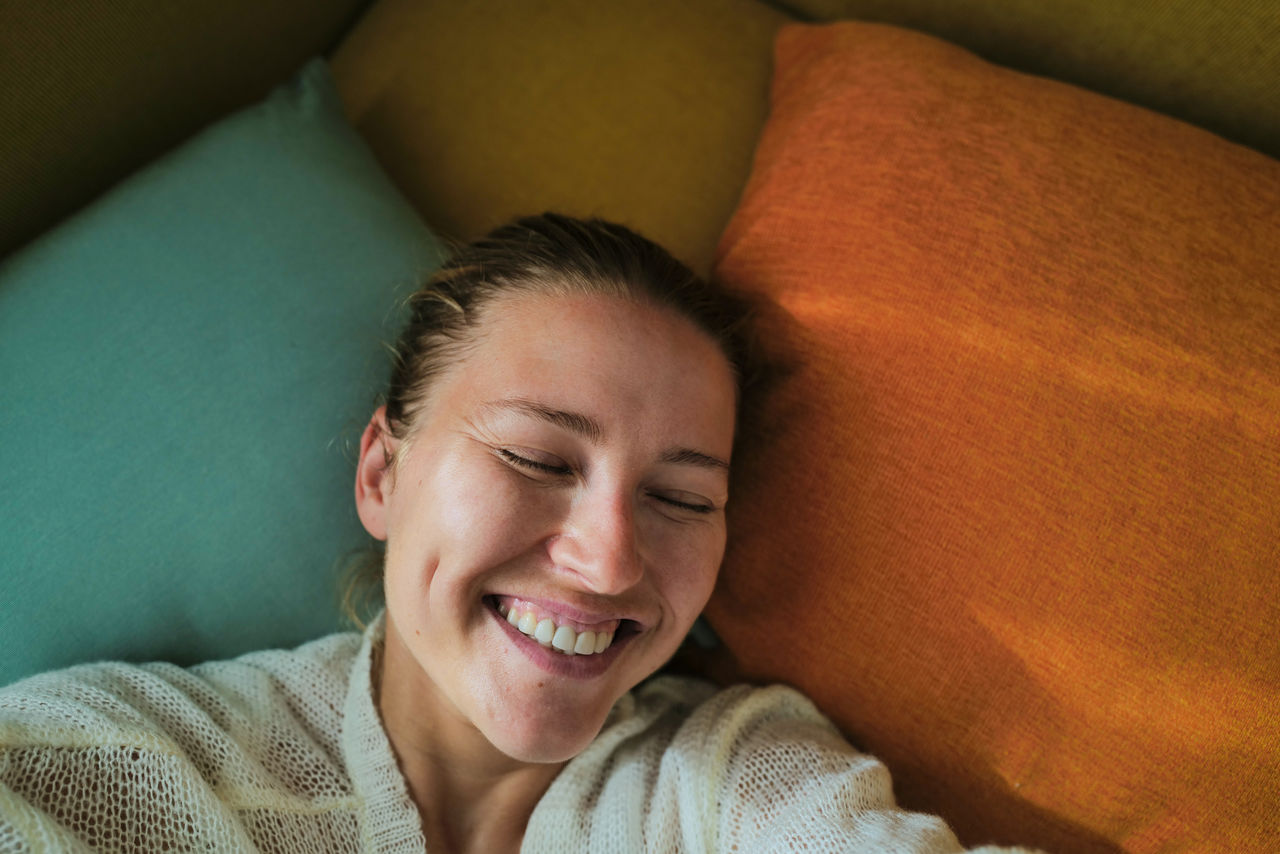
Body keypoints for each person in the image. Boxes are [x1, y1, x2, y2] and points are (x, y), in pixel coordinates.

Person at [0, 214, 1036, 853]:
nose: (609, 558)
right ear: (381, 470)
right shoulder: (130, 760)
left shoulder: (731, 774)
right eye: (538, 460)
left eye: (679, 498)